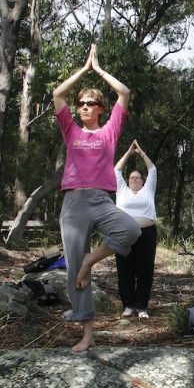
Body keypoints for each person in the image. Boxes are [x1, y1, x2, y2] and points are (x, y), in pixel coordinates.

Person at [53, 44, 141, 352]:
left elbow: (125, 93)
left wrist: (99, 70)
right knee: (74, 265)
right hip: (74, 203)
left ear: (101, 108)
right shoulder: (72, 131)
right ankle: (87, 332)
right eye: (82, 103)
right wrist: (82, 70)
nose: (85, 106)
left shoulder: (110, 131)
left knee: (130, 230)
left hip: (102, 200)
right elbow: (58, 95)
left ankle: (91, 260)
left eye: (91, 103)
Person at [114, 139, 158, 319]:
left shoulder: (148, 190)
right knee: (125, 269)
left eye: (137, 178)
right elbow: (116, 170)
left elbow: (153, 169)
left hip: (146, 234)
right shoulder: (121, 190)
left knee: (145, 269)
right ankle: (128, 305)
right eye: (131, 177)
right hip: (123, 234)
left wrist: (140, 152)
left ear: (142, 181)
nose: (134, 179)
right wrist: (128, 152)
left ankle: (142, 307)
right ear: (127, 180)